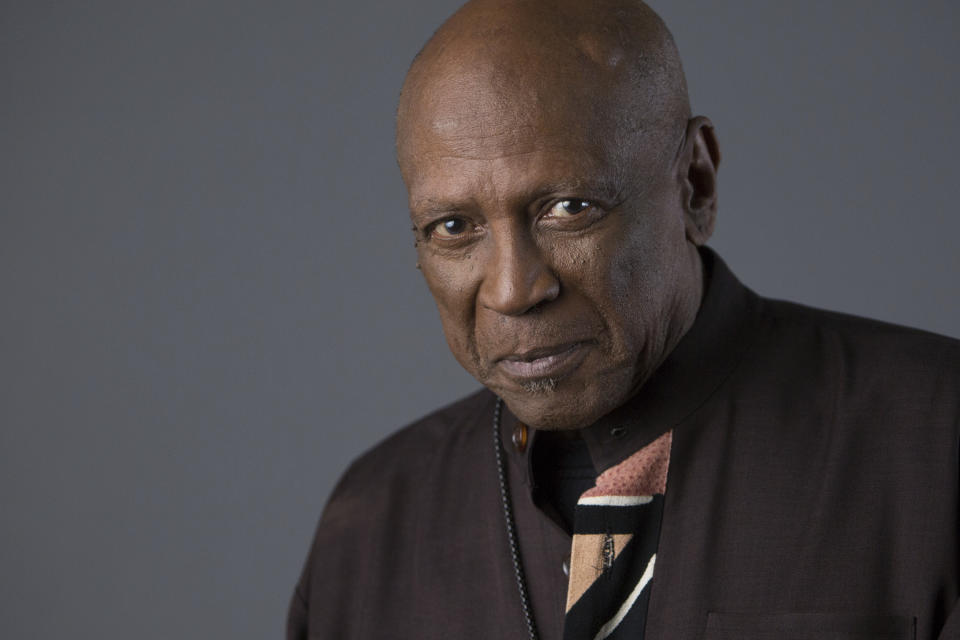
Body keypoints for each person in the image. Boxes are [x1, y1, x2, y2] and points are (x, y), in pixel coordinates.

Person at [287, 1, 960, 638]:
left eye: (571, 207)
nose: (515, 290)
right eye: (454, 226)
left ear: (694, 184)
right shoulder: (369, 530)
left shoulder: (936, 446)